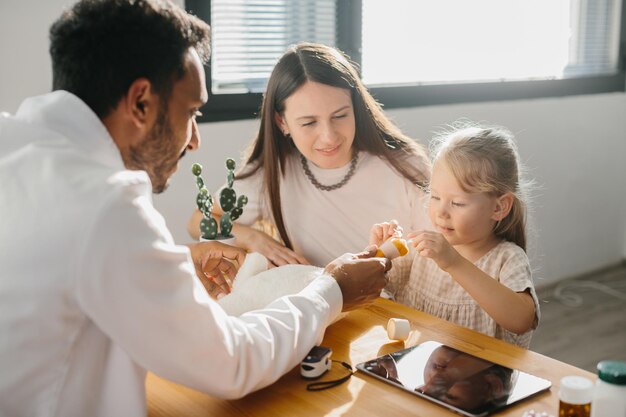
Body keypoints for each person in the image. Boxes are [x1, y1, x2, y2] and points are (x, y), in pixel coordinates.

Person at [0, 1, 391, 416]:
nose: (194, 141)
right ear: (141, 103)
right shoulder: (105, 204)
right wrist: (333, 289)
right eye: (192, 112)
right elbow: (232, 363)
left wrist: (171, 261)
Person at [188, 42, 431, 267]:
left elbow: (443, 254)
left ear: (356, 108)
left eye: (340, 116)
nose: (328, 137)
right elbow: (198, 221)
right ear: (281, 122)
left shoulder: (405, 165)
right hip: (330, 307)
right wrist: (254, 238)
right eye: (308, 123)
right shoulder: (274, 175)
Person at [370, 123, 540, 348]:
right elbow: (372, 290)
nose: (441, 212)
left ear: (498, 208)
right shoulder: (420, 251)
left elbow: (521, 320)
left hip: (481, 379)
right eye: (435, 196)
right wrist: (379, 255)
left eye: (457, 203)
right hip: (419, 372)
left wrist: (453, 262)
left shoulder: (507, 259)